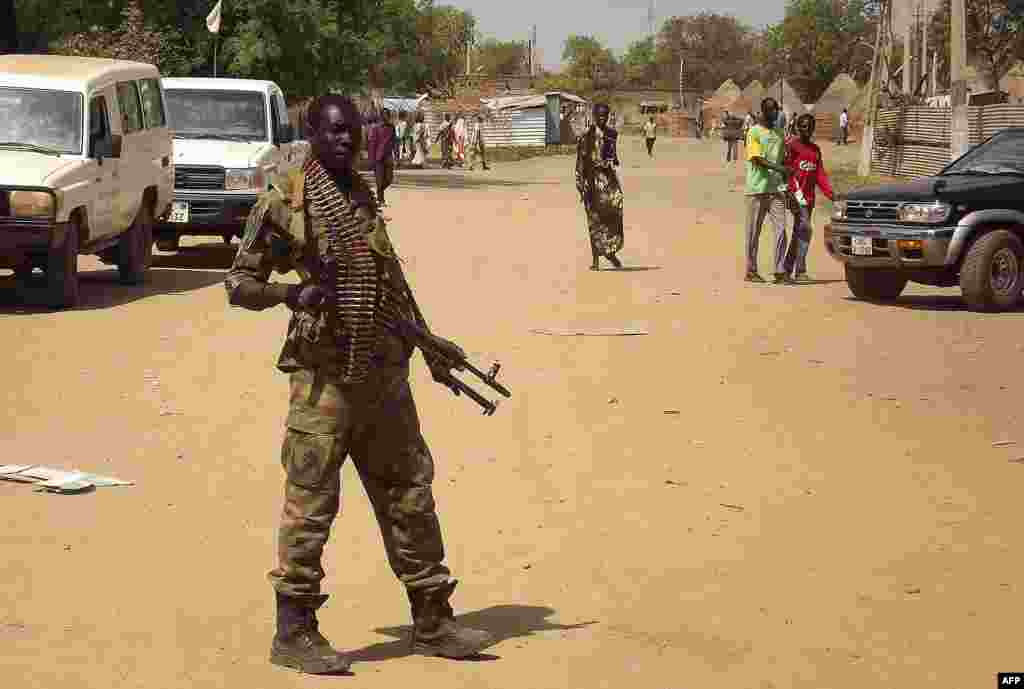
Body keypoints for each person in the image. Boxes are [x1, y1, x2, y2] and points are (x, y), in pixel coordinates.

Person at [224, 94, 496, 675]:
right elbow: (240, 284)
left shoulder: (362, 192)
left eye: (354, 130)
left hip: (382, 372)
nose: (348, 140)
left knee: (410, 492)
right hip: (323, 378)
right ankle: (294, 631)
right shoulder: (288, 200)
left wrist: (429, 345)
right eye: (335, 133)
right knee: (311, 502)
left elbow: (388, 281)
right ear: (312, 136)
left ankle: (433, 618)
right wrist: (290, 293)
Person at [744, 97, 793, 284]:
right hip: (757, 189)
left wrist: (786, 181)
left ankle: (780, 271)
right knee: (753, 232)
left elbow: (782, 160)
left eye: (776, 110)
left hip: (776, 190)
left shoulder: (780, 134)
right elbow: (756, 159)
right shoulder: (754, 132)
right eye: (771, 110)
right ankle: (751, 270)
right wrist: (781, 169)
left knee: (781, 229)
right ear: (763, 111)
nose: (774, 113)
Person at [783, 114, 834, 282]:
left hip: (809, 199)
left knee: (799, 232)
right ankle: (801, 271)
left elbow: (820, 174)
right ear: (797, 127)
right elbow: (786, 170)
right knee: (805, 230)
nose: (807, 130)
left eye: (810, 127)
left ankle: (786, 269)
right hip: (796, 196)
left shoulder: (815, 150)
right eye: (803, 126)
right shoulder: (792, 146)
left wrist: (830, 194)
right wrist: (788, 192)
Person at [575, 102, 625, 271]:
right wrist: (580, 182)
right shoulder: (585, 137)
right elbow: (580, 161)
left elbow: (614, 158)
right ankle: (596, 259)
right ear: (594, 117)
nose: (602, 118)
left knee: (614, 213)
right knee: (594, 220)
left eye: (605, 115)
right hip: (592, 182)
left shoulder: (612, 134)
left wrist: (611, 161)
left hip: (609, 181)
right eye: (599, 116)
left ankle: (610, 251)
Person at [366, 107, 396, 207]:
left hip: (388, 157)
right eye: (385, 114)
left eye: (388, 114)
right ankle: (380, 199)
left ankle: (378, 194)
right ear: (381, 116)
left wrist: (397, 155)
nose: (387, 116)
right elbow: (371, 145)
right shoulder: (375, 128)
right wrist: (371, 160)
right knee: (379, 181)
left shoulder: (392, 127)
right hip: (377, 158)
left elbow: (394, 142)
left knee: (389, 179)